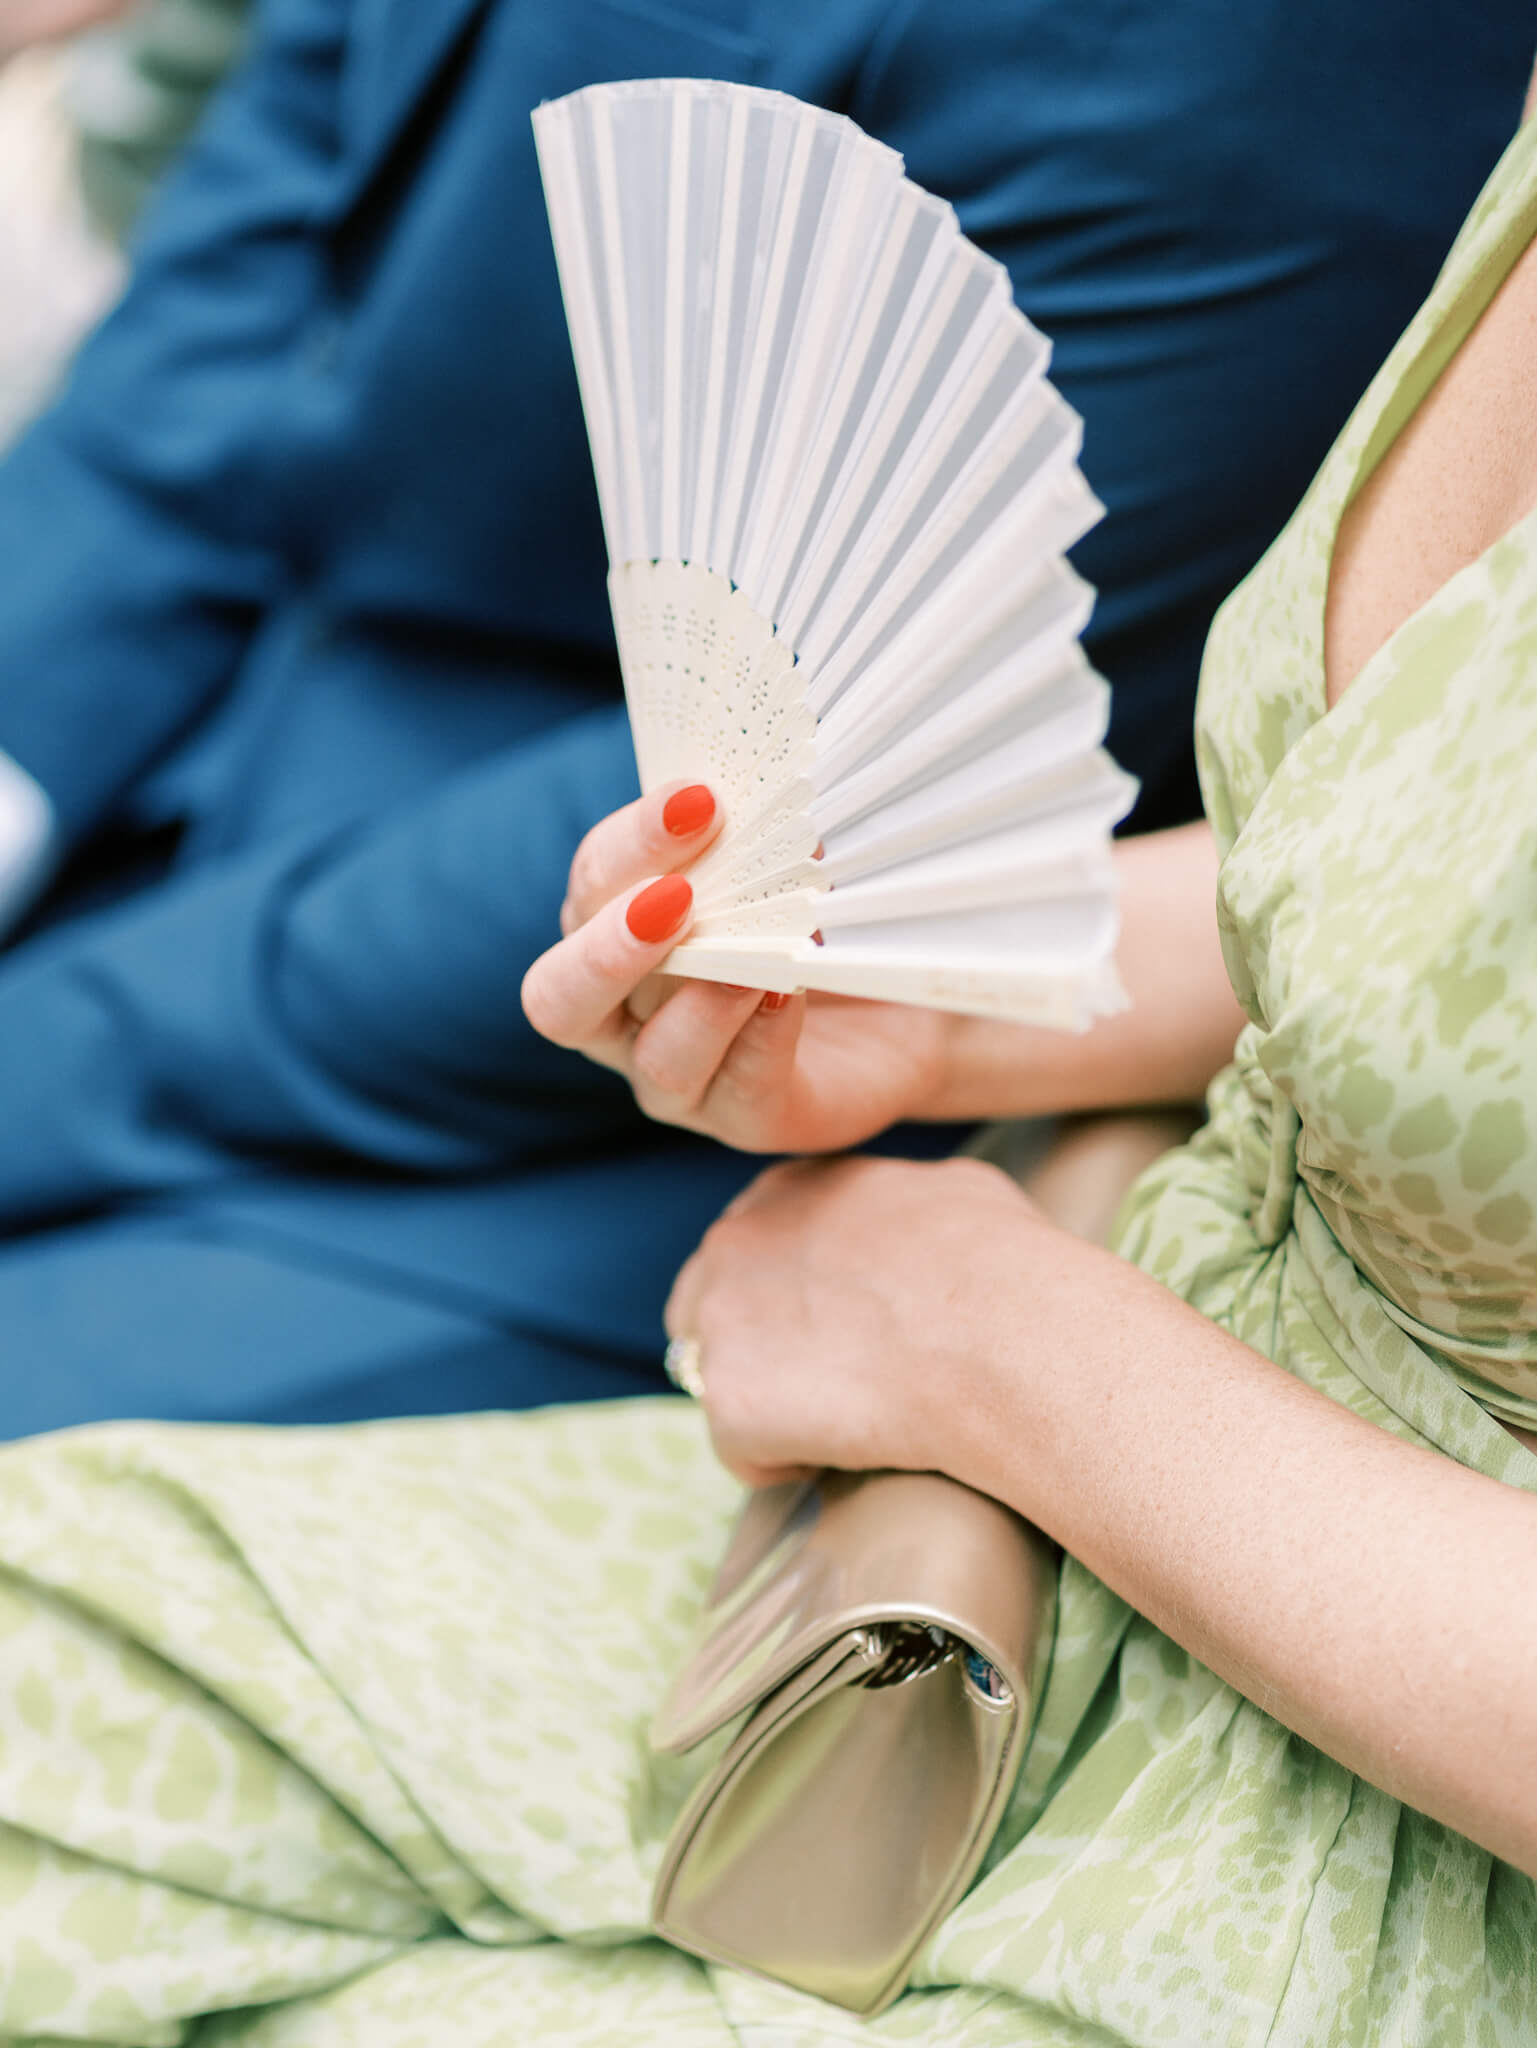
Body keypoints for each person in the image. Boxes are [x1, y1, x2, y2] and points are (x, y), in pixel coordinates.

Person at [0, 74, 1533, 2045]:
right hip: (1008, 1454)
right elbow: (1394, 851)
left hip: (1362, 1750)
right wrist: (971, 988)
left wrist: (1019, 1354)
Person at [0, 0, 1530, 1432]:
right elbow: (223, 326)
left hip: (598, 1079)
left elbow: (809, 760)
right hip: (177, 740)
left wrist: (55, 1055)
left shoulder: (1297, 57)